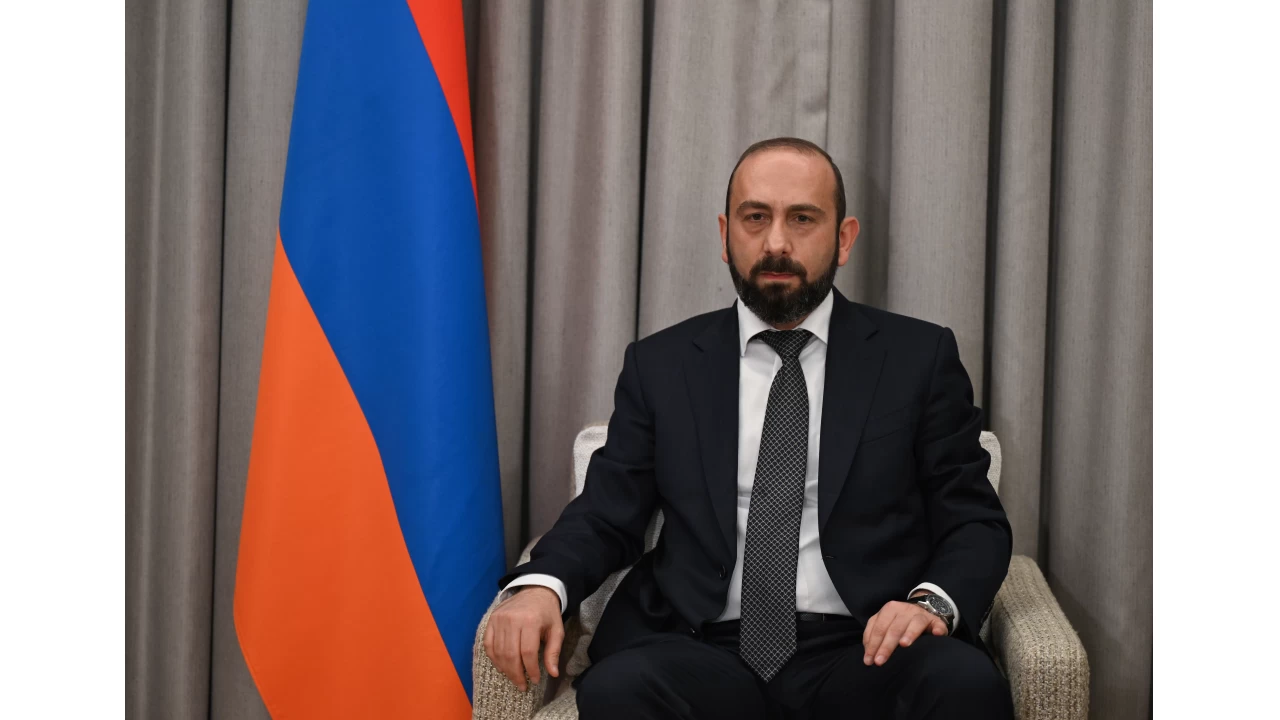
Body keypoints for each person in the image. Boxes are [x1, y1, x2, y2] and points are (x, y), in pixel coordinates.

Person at [483, 137, 1014, 720]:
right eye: (755, 217)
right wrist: (542, 585)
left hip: (867, 646)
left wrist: (930, 604)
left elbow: (973, 518)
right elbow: (607, 510)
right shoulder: (662, 365)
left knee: (963, 684)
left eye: (802, 219)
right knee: (618, 690)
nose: (776, 243)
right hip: (700, 646)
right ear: (724, 235)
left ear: (844, 238)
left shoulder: (917, 357)